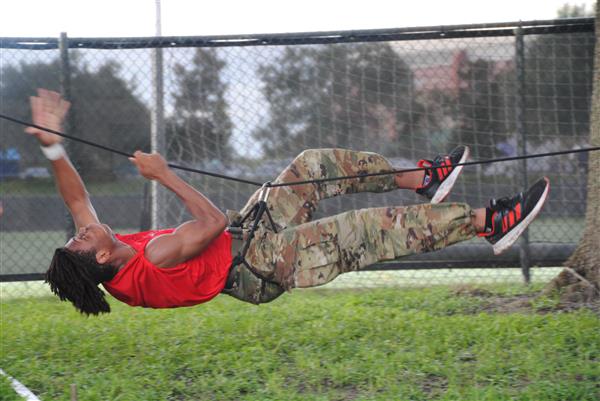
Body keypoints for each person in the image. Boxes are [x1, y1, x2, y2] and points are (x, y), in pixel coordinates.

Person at [27, 89, 550, 315]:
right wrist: (164, 175)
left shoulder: (107, 253)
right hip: (260, 265)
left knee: (311, 165)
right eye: (80, 237)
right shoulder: (151, 261)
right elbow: (207, 220)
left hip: (243, 235)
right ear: (97, 257)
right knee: (373, 229)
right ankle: (491, 222)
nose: (82, 226)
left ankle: (424, 179)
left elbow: (76, 197)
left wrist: (51, 142)